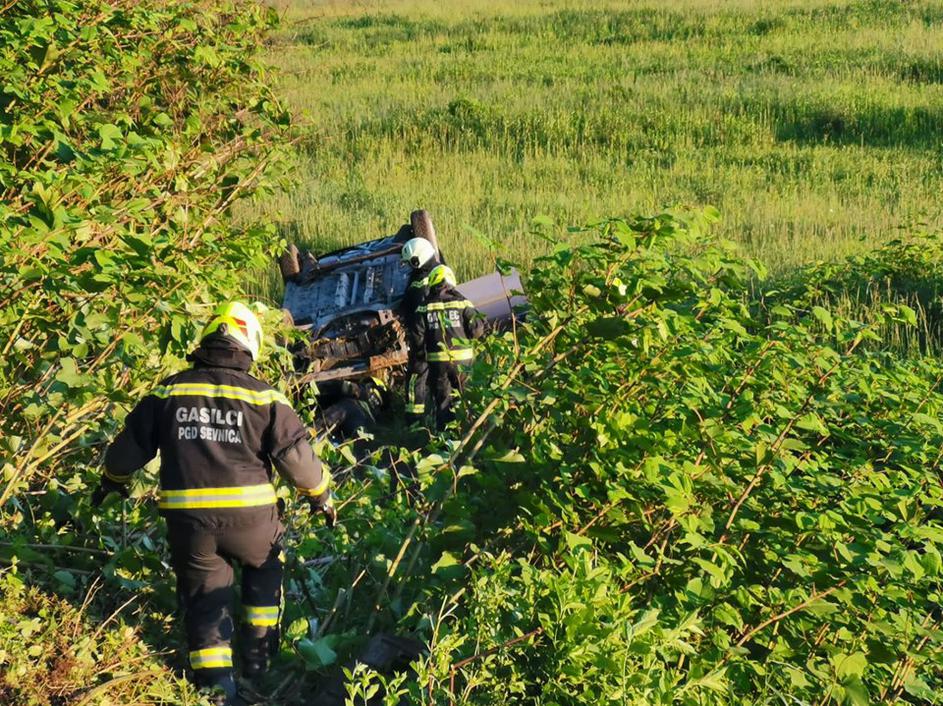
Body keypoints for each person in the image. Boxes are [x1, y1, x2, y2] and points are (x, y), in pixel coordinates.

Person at [92, 302, 336, 705]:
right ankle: (258, 662)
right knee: (264, 572)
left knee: (205, 596)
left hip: (190, 524)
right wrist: (321, 497)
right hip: (253, 523)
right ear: (249, 346)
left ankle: (218, 688)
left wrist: (112, 480)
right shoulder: (266, 398)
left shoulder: (169, 391)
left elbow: (129, 449)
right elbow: (298, 461)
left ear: (208, 339)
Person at [412, 265, 485, 428]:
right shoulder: (463, 302)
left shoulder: (424, 307)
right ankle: (466, 432)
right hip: (463, 363)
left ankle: (446, 443)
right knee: (464, 398)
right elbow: (478, 329)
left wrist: (420, 358)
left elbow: (417, 338)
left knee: (443, 402)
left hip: (438, 364)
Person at [399, 238, 439, 425]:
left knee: (416, 377)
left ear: (417, 261)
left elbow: (412, 314)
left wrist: (417, 347)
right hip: (442, 335)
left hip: (423, 337)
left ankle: (413, 420)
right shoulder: (440, 273)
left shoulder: (417, 286)